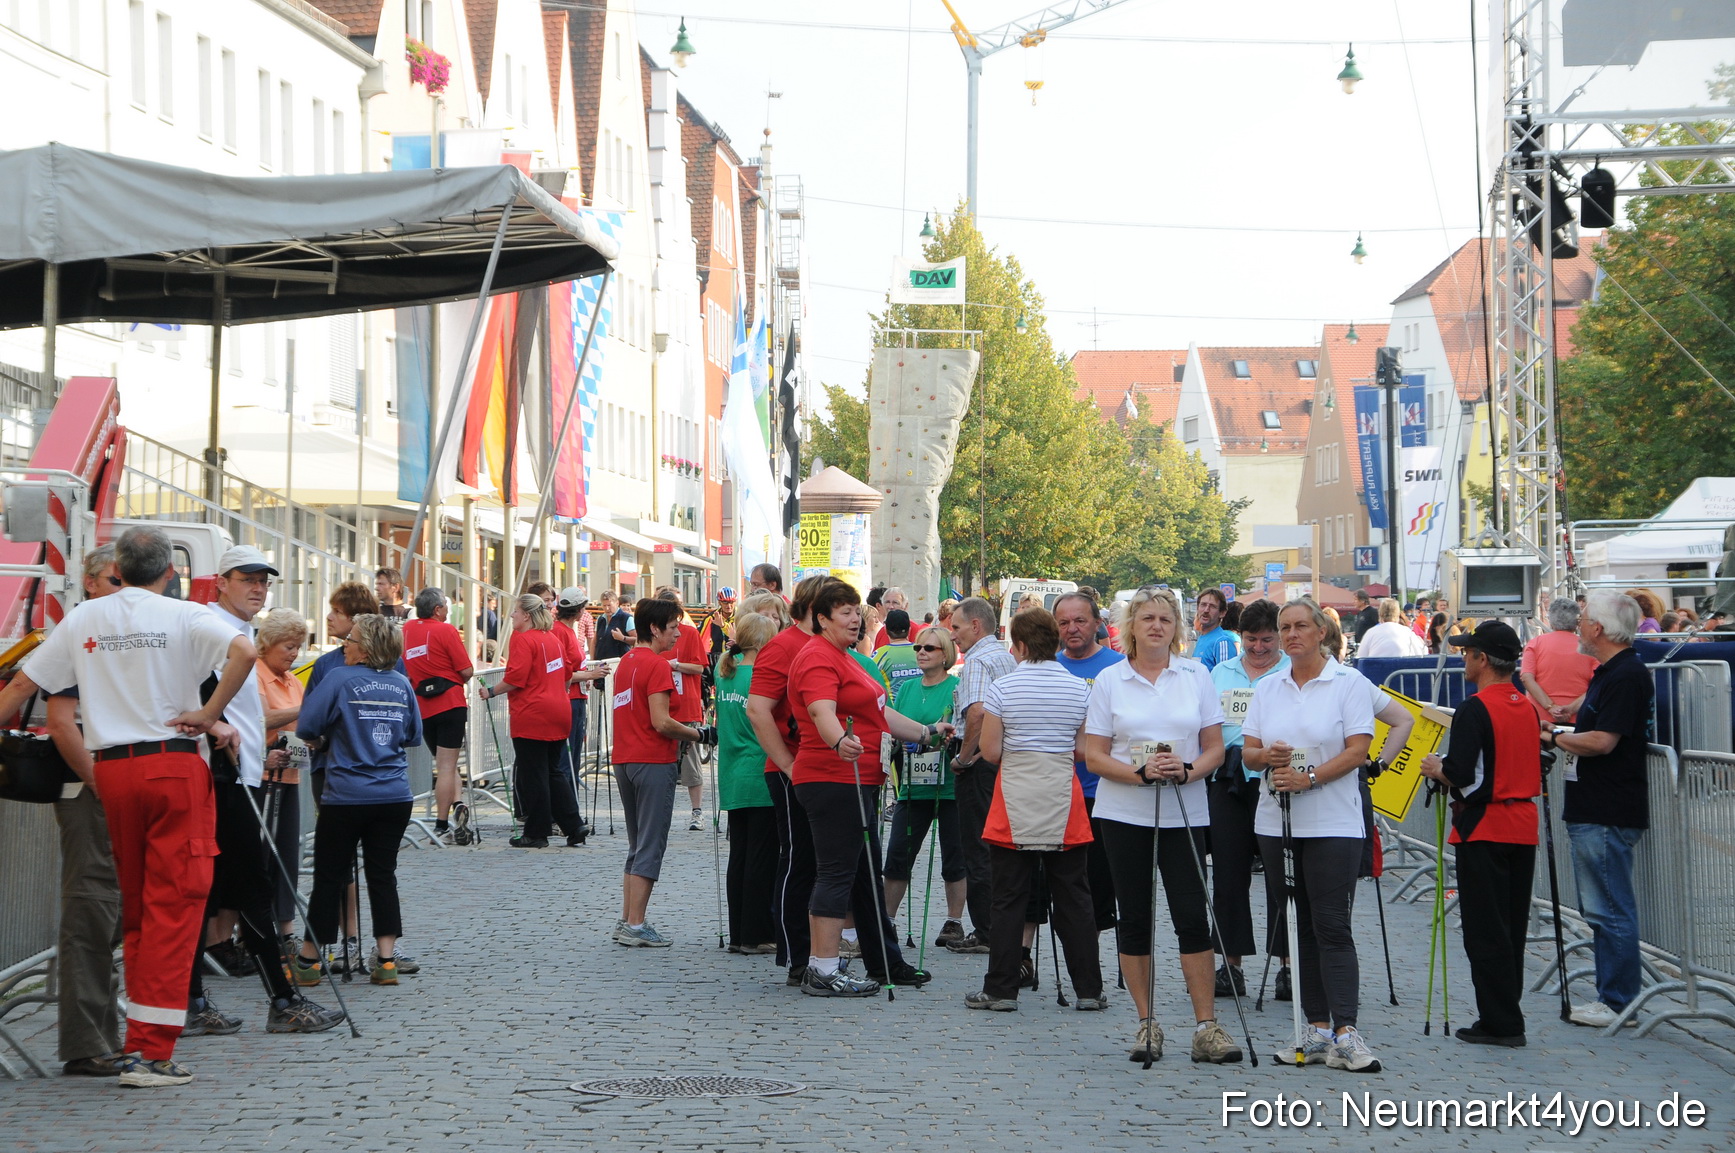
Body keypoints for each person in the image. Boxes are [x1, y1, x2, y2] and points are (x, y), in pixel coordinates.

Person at [0, 526, 259, 1087]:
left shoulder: (84, 618)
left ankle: (141, 1040)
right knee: (177, 904)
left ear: (118, 566)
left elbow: (20, 691)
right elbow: (245, 649)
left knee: (139, 910)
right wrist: (209, 710)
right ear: (171, 571)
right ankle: (149, 1052)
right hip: (170, 766)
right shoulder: (183, 614)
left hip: (112, 771)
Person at [186, 546, 345, 1040]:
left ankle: (202, 1001)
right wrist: (215, 728)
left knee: (223, 892)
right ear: (221, 583)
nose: (258, 587)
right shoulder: (211, 629)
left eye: (264, 581)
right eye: (247, 579)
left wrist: (263, 753)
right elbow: (193, 694)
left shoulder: (239, 633)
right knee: (243, 890)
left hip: (245, 774)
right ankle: (278, 1000)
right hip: (221, 778)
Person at [1084, 587, 1241, 1064]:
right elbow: (1093, 754)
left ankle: (1206, 1026)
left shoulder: (1196, 675)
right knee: (1134, 918)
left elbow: (1215, 746)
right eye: (1147, 618)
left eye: (1165, 620)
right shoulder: (1111, 679)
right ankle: (1146, 1023)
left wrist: (1190, 770)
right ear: (1131, 626)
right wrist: (1138, 772)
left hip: (1185, 810)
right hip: (1123, 812)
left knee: (1192, 916)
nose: (1156, 626)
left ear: (1178, 628)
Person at [1241, 598, 1380, 1073]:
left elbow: (1359, 750)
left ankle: (1346, 1031)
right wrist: (1270, 757)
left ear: (1321, 632)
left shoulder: (1349, 682)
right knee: (1296, 923)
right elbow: (1249, 753)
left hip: (1333, 821)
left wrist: (1311, 777)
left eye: (1301, 626)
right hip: (1276, 820)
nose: (1291, 635)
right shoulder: (1268, 686)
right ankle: (1316, 1028)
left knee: (1331, 925)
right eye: (1285, 628)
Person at [788, 579, 938, 996]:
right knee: (835, 873)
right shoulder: (818, 657)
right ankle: (821, 968)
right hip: (833, 778)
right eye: (845, 612)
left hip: (857, 780)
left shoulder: (846, 656)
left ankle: (884, 962)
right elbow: (821, 711)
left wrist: (928, 733)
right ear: (821, 619)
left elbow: (880, 712)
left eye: (857, 611)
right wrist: (839, 741)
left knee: (866, 876)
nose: (856, 618)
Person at [968, 608, 1105, 1011]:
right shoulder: (1081, 689)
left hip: (1014, 796)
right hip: (1064, 795)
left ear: (1022, 646)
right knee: (1074, 896)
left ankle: (1001, 989)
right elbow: (1084, 749)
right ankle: (1089, 990)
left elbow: (990, 751)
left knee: (1008, 897)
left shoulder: (1003, 689)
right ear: (1056, 641)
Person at [1418, 621, 1543, 1047]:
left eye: (1468, 652)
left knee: (1485, 930)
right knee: (1510, 929)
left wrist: (1437, 767)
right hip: (1522, 826)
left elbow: (1461, 773)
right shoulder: (1525, 705)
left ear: (1483, 659)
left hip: (1485, 825)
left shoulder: (1476, 707)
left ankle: (1502, 1021)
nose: (1463, 658)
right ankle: (1506, 1012)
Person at [289, 615, 421, 989]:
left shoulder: (338, 680)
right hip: (394, 794)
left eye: (351, 639)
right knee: (382, 874)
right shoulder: (401, 684)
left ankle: (309, 961)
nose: (344, 644)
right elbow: (412, 736)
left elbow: (306, 727)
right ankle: (386, 960)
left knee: (330, 875)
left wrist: (331, 736)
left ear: (366, 648)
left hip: (347, 793)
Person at [1546, 591, 1655, 1029]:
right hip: (1594, 806)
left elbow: (1602, 741)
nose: (1578, 623)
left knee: (1610, 908)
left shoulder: (1625, 675)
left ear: (1600, 629)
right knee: (1602, 908)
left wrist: (1555, 737)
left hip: (1608, 809)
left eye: (1585, 618)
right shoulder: (1609, 673)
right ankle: (1613, 995)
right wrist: (1565, 728)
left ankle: (1618, 1000)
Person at [42, 546, 125, 1077]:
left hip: (117, 788)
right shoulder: (79, 630)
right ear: (90, 582)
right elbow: (60, 720)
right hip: (90, 791)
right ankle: (85, 1043)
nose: (125, 590)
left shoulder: (116, 631)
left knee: (110, 914)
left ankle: (101, 1037)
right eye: (116, 580)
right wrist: (100, 784)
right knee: (92, 911)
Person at [608, 597, 716, 947]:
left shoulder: (627, 661)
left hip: (625, 759)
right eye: (672, 629)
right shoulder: (656, 665)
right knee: (650, 845)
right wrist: (700, 734)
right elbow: (662, 722)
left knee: (637, 844)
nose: (676, 636)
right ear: (654, 628)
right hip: (652, 761)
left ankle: (627, 919)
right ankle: (636, 925)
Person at [746, 574, 828, 984]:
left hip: (826, 772)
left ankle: (820, 952)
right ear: (816, 609)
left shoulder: (828, 646)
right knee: (798, 861)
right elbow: (758, 711)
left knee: (820, 864)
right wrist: (788, 766)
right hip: (793, 770)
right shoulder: (782, 647)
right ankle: (797, 956)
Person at [1206, 598, 1288, 1001]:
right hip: (1229, 779)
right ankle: (1230, 964)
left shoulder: (1292, 672)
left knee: (1283, 876)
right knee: (1228, 874)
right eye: (1251, 640)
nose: (1258, 648)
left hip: (1278, 781)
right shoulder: (1221, 673)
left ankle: (1289, 966)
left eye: (1267, 640)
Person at [881, 626, 968, 947]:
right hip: (912, 783)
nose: (921, 652)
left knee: (954, 857)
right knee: (898, 854)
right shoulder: (905, 689)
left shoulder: (958, 688)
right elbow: (894, 727)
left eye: (929, 648)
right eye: (918, 647)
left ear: (945, 654)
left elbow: (965, 729)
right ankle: (887, 919)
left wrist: (948, 740)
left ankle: (953, 921)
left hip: (948, 785)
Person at [478, 594, 585, 848]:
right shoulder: (553, 639)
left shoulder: (524, 640)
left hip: (533, 713)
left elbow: (516, 678)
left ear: (526, 615)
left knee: (533, 774)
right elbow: (567, 672)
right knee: (553, 771)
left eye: (515, 611)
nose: (512, 615)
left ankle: (537, 832)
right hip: (559, 709)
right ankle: (573, 824)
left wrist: (491, 691)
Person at [947, 596, 1018, 955]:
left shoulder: (976, 660)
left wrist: (964, 756)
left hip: (980, 764)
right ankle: (998, 925)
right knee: (996, 845)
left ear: (976, 626)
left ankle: (986, 930)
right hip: (1003, 760)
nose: (953, 635)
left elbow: (976, 713)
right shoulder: (1005, 656)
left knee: (977, 846)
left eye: (956, 627)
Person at [1053, 592, 1123, 936]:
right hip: (1057, 792)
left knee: (1097, 889)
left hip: (1102, 793)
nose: (1072, 629)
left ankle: (1089, 967)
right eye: (1064, 622)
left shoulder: (1119, 667)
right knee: (1058, 887)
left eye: (1080, 620)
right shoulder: (1048, 666)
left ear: (1098, 623)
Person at [714, 611, 780, 953]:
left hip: (732, 773)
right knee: (762, 858)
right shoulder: (762, 676)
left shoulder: (724, 671)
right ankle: (758, 933)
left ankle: (739, 932)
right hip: (760, 772)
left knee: (739, 856)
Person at [254, 608, 311, 941]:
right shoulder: (257, 673)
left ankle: (285, 932)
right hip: (262, 775)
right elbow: (263, 719)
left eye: (298, 647)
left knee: (288, 856)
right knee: (263, 856)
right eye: (288, 646)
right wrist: (305, 710)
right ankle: (256, 931)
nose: (294, 653)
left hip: (290, 774)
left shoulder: (292, 680)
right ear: (269, 643)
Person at [403, 587, 475, 841]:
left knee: (445, 762)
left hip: (423, 706)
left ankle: (457, 804)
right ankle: (442, 823)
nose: (448, 609)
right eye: (446, 605)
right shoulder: (446, 630)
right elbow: (467, 670)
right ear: (437, 609)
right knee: (446, 765)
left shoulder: (407, 630)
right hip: (450, 703)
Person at [655, 586, 711, 830]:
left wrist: (676, 665)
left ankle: (697, 812)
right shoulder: (654, 635)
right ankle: (658, 812)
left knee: (690, 763)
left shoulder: (689, 633)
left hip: (686, 706)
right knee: (661, 764)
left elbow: (700, 668)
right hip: (661, 706)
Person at [554, 588, 608, 813]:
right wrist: (591, 675)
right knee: (566, 758)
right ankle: (566, 811)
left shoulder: (566, 630)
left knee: (574, 757)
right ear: (577, 610)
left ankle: (570, 808)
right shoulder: (560, 632)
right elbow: (560, 673)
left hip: (577, 698)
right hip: (568, 699)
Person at [1522, 598, 1599, 724]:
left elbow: (1526, 678)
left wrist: (1551, 707)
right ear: (1577, 622)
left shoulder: (1535, 644)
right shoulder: (1590, 647)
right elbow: (1597, 685)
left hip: (1539, 719)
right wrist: (1571, 709)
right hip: (1579, 718)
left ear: (1551, 621)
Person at [873, 609, 922, 695]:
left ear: (885, 629)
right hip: (920, 703)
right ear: (909, 629)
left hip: (893, 707)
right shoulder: (922, 650)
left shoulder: (880, 654)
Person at [1356, 599, 1426, 658]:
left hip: (1377, 672)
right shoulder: (1407, 632)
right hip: (1402, 671)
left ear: (1380, 613)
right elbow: (1422, 653)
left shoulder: (1371, 632)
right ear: (1398, 614)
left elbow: (1361, 657)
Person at [1191, 588, 1239, 670]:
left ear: (1222, 613)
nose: (1206, 610)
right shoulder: (1201, 638)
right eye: (1203, 605)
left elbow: (1225, 678)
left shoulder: (1222, 641)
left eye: (1212, 606)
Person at [593, 588, 633, 661]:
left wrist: (623, 638)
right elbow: (594, 642)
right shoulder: (600, 619)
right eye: (604, 605)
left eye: (609, 605)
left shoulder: (627, 618)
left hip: (619, 662)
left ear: (617, 603)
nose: (607, 608)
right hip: (601, 663)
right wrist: (592, 661)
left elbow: (638, 640)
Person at [477, 593, 500, 661]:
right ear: (487, 602)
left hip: (480, 639)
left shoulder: (479, 612)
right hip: (489, 641)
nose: (495, 605)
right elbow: (494, 628)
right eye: (493, 603)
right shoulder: (490, 613)